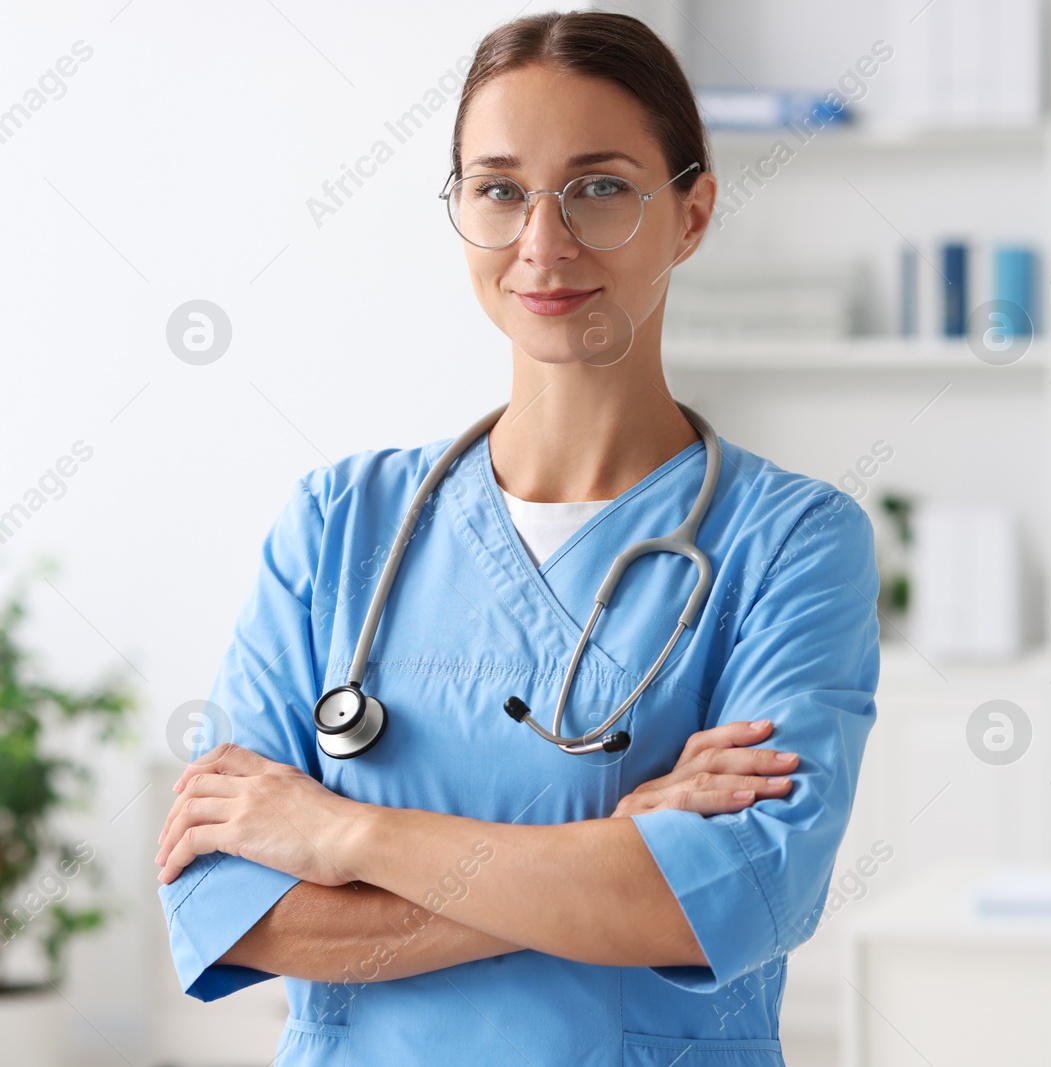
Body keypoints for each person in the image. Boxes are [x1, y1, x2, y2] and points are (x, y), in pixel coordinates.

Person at [153, 11, 879, 1065]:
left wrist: (343, 835)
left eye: (598, 187)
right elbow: (234, 911)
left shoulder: (792, 543)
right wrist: (609, 855)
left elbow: (727, 902)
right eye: (498, 189)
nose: (543, 243)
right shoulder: (335, 525)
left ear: (692, 213)